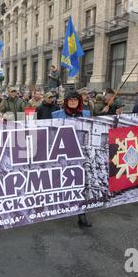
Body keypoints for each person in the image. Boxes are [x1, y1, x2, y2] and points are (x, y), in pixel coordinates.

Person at [52, 91, 91, 227]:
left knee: (81, 183)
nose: (73, 102)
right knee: (64, 182)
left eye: (76, 100)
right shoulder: (56, 115)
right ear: (66, 101)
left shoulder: (86, 114)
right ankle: (61, 206)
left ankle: (82, 213)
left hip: (81, 154)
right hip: (63, 154)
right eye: (71, 100)